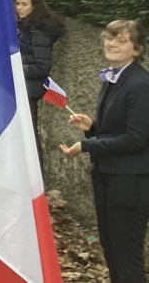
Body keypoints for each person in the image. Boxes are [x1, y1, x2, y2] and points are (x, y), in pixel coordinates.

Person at [60, 20, 149, 283]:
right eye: (109, 38)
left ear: (137, 49)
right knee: (111, 251)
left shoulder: (140, 85)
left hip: (130, 183)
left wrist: (87, 145)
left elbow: (136, 140)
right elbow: (118, 129)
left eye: (121, 40)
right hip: (107, 176)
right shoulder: (114, 77)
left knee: (126, 257)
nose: (112, 44)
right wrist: (93, 128)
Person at [16, 0, 65, 160]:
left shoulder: (38, 31)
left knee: (28, 136)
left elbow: (42, 66)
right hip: (19, 87)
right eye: (18, 3)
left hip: (28, 89)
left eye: (24, 4)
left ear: (34, 7)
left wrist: (15, 68)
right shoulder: (23, 27)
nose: (19, 8)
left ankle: (37, 180)